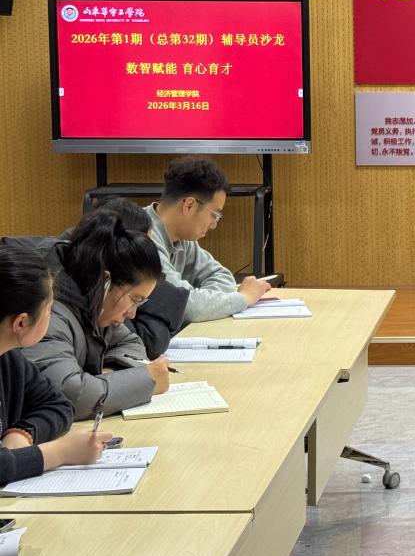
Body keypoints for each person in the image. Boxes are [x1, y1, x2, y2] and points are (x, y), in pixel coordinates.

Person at [24, 209, 170, 419]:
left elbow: (130, 342)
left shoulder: (95, 302)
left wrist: (111, 373)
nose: (132, 314)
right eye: (135, 300)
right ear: (105, 281)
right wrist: (146, 380)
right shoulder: (47, 311)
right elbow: (68, 395)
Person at [0, 243, 112, 485]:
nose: (51, 316)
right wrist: (61, 452)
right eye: (49, 309)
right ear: (21, 323)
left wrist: (23, 433)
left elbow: (58, 405)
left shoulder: (8, 358)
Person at [145, 156, 270, 323]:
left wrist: (202, 302)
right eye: (215, 215)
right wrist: (244, 298)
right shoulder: (143, 237)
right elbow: (183, 306)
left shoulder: (182, 236)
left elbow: (221, 276)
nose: (214, 225)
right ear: (189, 206)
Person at [65, 198, 188, 359]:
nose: (132, 314)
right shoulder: (69, 296)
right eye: (144, 245)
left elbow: (131, 343)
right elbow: (150, 344)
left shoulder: (107, 293)